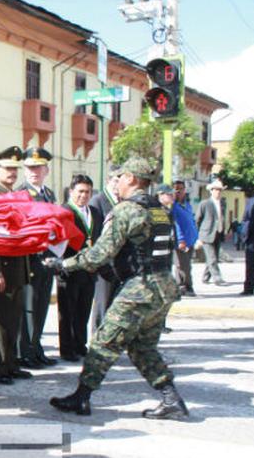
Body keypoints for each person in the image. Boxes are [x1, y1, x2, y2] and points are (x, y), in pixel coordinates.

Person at [46, 156, 188, 420]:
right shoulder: (160, 209)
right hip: (163, 287)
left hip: (140, 288)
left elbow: (99, 253)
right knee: (142, 347)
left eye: (121, 177)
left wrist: (62, 264)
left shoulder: (127, 210)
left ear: (132, 179)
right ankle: (172, 399)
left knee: (103, 342)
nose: (117, 182)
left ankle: (81, 397)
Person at [0, 146, 33, 385]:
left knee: (13, 319)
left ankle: (11, 364)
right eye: (7, 169)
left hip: (17, 266)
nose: (12, 173)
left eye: (15, 169)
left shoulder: (15, 195)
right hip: (2, 267)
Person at [16, 147, 58, 368]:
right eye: (30, 168)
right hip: (30, 260)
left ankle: (36, 346)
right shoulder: (21, 193)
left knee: (41, 306)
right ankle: (25, 352)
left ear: (46, 170)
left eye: (38, 168)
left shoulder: (48, 194)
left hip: (47, 258)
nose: (34, 172)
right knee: (29, 308)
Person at [57, 174, 103, 362]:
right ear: (71, 191)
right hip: (70, 268)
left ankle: (80, 344)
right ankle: (67, 348)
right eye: (80, 191)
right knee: (67, 310)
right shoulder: (64, 211)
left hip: (90, 269)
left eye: (88, 192)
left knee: (83, 309)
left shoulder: (94, 212)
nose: (84, 195)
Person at [90, 170, 122, 330]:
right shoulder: (98, 201)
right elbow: (95, 234)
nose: (119, 184)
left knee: (114, 304)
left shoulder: (122, 201)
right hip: (105, 261)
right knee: (102, 303)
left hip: (119, 261)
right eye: (117, 180)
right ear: (108, 180)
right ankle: (98, 338)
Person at [196, 180, 227, 286]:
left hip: (218, 233)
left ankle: (205, 277)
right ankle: (217, 278)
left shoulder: (222, 203)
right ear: (211, 191)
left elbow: (222, 218)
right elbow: (198, 220)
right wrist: (198, 237)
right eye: (216, 190)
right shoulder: (204, 203)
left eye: (220, 190)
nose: (218, 192)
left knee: (214, 258)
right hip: (206, 234)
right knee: (212, 258)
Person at [172, 179, 196, 295]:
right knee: (182, 265)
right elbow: (176, 224)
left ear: (184, 190)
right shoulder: (173, 206)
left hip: (190, 239)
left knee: (185, 264)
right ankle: (187, 286)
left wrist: (196, 237)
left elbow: (191, 221)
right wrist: (181, 240)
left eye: (180, 189)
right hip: (180, 241)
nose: (178, 191)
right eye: (176, 189)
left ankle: (181, 286)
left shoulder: (187, 204)